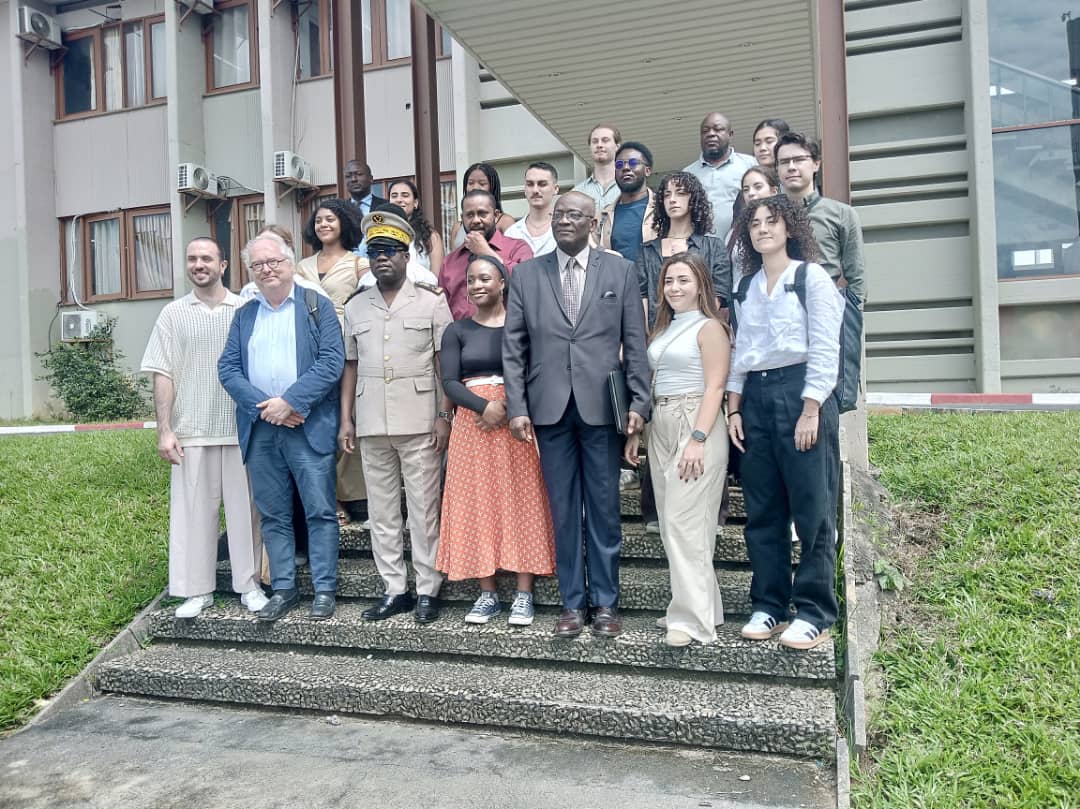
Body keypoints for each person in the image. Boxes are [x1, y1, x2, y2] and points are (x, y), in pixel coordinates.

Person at [503, 191, 650, 639]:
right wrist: (517, 407)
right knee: (563, 511)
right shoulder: (527, 275)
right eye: (560, 214)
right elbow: (514, 348)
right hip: (548, 410)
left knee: (604, 509)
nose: (564, 220)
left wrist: (640, 404)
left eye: (574, 215)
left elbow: (636, 342)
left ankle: (605, 604)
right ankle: (572, 603)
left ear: (593, 223)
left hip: (602, 407)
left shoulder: (620, 271)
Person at [727, 194, 844, 651]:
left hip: (801, 393)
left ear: (790, 227)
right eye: (754, 223)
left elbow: (825, 346)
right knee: (762, 510)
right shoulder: (748, 286)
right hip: (755, 396)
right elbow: (741, 351)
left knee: (813, 509)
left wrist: (811, 407)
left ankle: (815, 610)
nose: (762, 229)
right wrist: (734, 407)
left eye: (771, 222)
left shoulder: (810, 277)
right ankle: (769, 603)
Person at [218, 232, 345, 622]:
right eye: (258, 265)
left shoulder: (315, 306)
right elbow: (228, 368)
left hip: (307, 425)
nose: (267, 270)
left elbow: (331, 362)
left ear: (290, 264)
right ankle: (284, 587)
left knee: (320, 511)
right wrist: (267, 408)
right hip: (262, 430)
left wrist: (290, 401)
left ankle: (324, 589)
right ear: (250, 272)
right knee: (273, 514)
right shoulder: (245, 314)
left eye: (273, 262)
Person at [140, 236, 266, 619]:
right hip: (192, 429)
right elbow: (163, 373)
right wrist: (165, 429)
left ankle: (249, 585)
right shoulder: (173, 314)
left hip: (241, 428)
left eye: (206, 258)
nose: (199, 264)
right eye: (192, 258)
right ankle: (196, 590)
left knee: (246, 513)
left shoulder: (246, 309)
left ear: (223, 266)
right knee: (194, 514)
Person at [339, 210, 454, 624]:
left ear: (407, 256)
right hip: (371, 421)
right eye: (375, 252)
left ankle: (427, 588)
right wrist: (346, 419)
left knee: (424, 510)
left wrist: (445, 414)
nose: (381, 259)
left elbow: (445, 363)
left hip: (420, 419)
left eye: (390, 251)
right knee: (383, 512)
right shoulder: (356, 306)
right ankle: (394, 588)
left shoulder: (430, 300)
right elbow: (350, 365)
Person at [437, 255, 556, 625]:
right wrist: (482, 407)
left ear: (503, 282)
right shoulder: (456, 331)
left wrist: (505, 405)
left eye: (485, 278)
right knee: (476, 504)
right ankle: (486, 592)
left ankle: (524, 592)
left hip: (517, 422)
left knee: (522, 500)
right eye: (471, 280)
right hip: (472, 426)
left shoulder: (522, 328)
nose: (477, 285)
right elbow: (450, 381)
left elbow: (537, 371)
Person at [624, 253, 730, 646]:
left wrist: (698, 439)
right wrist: (640, 429)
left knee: (685, 524)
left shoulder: (710, 328)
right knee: (674, 524)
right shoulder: (664, 329)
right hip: (662, 422)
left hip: (695, 420)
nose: (675, 288)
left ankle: (690, 621)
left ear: (700, 284)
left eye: (683, 280)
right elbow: (653, 382)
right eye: (669, 282)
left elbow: (716, 387)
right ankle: (704, 607)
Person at [294, 199, 368, 526]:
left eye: (331, 219)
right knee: (319, 422)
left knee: (347, 416)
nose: (324, 224)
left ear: (344, 224)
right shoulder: (300, 265)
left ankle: (351, 492)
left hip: (347, 343)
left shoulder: (358, 263)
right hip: (310, 349)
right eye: (319, 219)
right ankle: (328, 496)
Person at [776, 132, 866, 302]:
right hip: (779, 309)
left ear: (816, 164)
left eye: (799, 159)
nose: (791, 167)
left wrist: (853, 315)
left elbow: (857, 277)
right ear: (777, 169)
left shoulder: (842, 214)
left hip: (826, 306)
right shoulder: (768, 216)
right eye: (784, 162)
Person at [636, 171, 732, 330]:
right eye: (667, 195)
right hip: (656, 335)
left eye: (680, 193)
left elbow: (716, 296)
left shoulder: (713, 247)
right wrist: (648, 336)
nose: (672, 200)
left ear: (693, 199)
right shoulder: (648, 250)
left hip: (699, 335)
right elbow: (642, 297)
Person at [439, 189, 533, 320]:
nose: (476, 220)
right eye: (470, 215)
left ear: (496, 215)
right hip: (462, 336)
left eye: (482, 214)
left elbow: (528, 286)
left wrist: (486, 252)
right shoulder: (449, 262)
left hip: (507, 335)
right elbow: (443, 310)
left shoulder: (517, 248)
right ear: (462, 218)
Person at [684, 112, 756, 240]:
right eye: (705, 131)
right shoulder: (687, 174)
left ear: (730, 134)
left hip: (744, 246)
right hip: (701, 250)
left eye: (718, 129)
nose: (711, 134)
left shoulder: (750, 164)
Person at [597, 141, 655, 262]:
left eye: (633, 163)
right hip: (616, 280)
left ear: (647, 171)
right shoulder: (603, 216)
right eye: (619, 165)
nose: (626, 168)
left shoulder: (662, 208)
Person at [357, 203, 440, 288]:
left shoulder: (425, 280)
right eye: (373, 252)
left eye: (389, 251)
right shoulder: (364, 283)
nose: (381, 257)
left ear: (406, 256)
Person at [447, 162, 516, 249]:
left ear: (492, 187)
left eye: (482, 184)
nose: (475, 187)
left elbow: (513, 254)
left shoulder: (505, 222)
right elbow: (452, 259)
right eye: (471, 183)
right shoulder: (457, 227)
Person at [388, 178, 446, 275]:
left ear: (415, 203)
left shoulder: (430, 237)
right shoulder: (382, 233)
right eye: (394, 196)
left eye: (405, 195)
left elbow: (437, 278)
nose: (399, 200)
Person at [504, 161, 559, 256]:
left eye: (542, 184)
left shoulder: (564, 228)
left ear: (556, 189)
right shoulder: (512, 233)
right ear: (524, 189)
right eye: (530, 184)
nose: (535, 190)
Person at [573, 123, 621, 210]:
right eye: (595, 141)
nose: (599, 145)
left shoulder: (632, 189)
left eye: (605, 140)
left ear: (617, 147)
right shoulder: (577, 192)